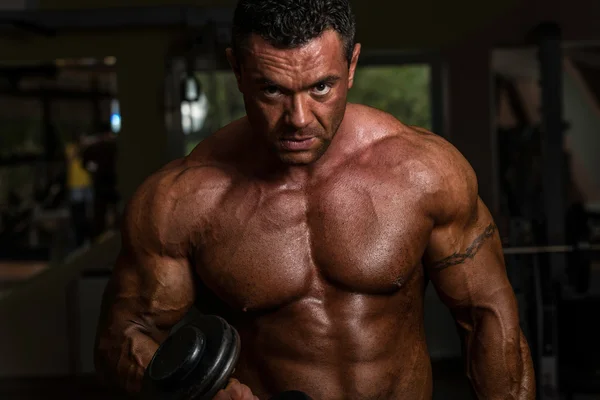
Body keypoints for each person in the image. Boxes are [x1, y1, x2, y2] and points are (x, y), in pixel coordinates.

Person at [94, 0, 536, 398]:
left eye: (321, 88)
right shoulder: (182, 202)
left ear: (352, 65)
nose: (299, 119)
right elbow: (122, 338)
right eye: (272, 90)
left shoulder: (424, 173)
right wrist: (203, 393)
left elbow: (490, 322)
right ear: (237, 71)